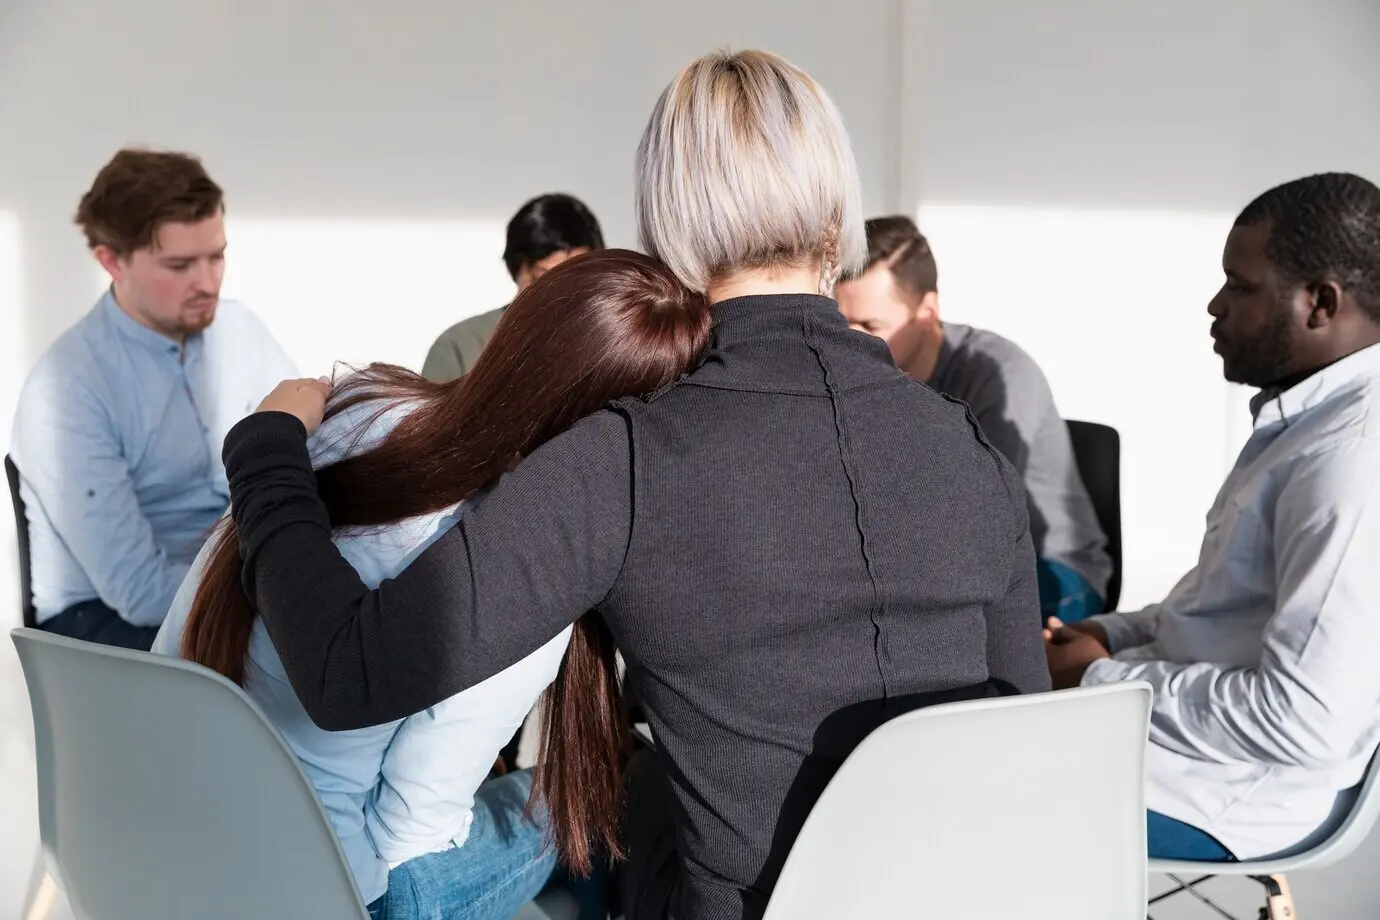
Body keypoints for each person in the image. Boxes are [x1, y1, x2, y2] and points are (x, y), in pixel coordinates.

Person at [219, 49, 1050, 920]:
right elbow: (1024, 731)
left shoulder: (626, 462)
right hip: (973, 899)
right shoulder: (967, 448)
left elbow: (346, 672)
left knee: (634, 801)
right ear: (839, 213)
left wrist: (266, 450)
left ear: (664, 224)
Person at [155, 249, 706, 919]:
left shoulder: (358, 406)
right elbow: (412, 833)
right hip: (318, 894)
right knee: (602, 794)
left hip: (152, 838)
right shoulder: (523, 564)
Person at [1046, 172, 1380, 862]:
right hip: (1193, 758)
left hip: (1230, 794)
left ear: (1320, 303)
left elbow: (1302, 724)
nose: (1214, 305)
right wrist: (1104, 632)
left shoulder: (1350, 461)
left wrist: (1098, 679)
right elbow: (1218, 609)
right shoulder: (1304, 423)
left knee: (930, 787)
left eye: (1241, 285)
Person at [9, 148, 296, 650]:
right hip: (99, 627)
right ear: (111, 261)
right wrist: (279, 599)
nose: (207, 283)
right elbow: (139, 592)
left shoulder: (239, 329)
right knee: (321, 665)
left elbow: (314, 454)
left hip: (236, 577)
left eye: (217, 255)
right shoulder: (66, 389)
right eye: (180, 265)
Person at [836, 216, 1111, 623]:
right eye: (842, 323)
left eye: (871, 326)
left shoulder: (1001, 375)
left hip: (1051, 570)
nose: (852, 342)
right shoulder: (861, 372)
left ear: (927, 312)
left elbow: (978, 522)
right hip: (940, 564)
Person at [421, 193, 605, 382]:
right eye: (544, 280)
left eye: (577, 279)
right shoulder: (460, 347)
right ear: (517, 270)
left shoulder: (613, 345)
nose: (562, 294)